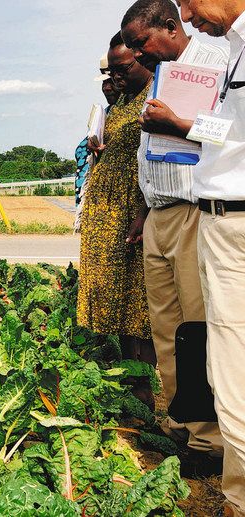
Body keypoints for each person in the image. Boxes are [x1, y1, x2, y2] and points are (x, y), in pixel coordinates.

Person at [121, 0, 227, 472]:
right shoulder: (161, 74)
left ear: (171, 25)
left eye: (143, 43)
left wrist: (178, 124)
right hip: (160, 215)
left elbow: (230, 132)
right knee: (165, 329)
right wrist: (145, 210)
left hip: (194, 212)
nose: (140, 54)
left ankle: (210, 442)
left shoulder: (215, 62)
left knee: (196, 329)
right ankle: (181, 424)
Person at [176, 0, 245, 513]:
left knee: (231, 368)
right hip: (222, 217)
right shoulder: (235, 50)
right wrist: (187, 124)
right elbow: (231, 133)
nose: (186, 15)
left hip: (237, 219)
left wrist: (179, 124)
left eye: (186, 2)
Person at [76, 32, 156, 400]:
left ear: (142, 59)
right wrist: (99, 148)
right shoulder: (120, 103)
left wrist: (141, 211)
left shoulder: (154, 98)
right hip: (106, 208)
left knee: (137, 295)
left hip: (131, 206)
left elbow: (153, 160)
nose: (115, 77)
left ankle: (143, 382)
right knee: (116, 292)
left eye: (122, 69)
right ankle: (125, 371)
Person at [74, 54, 121, 232]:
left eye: (112, 82)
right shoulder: (103, 114)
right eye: (104, 82)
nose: (107, 88)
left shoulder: (129, 114)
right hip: (98, 204)